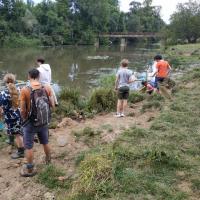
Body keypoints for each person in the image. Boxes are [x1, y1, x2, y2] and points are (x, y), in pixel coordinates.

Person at [20, 69, 55, 177]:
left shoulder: (25, 90)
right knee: (45, 142)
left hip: (30, 123)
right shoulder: (47, 88)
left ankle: (30, 170)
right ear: (39, 76)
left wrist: (25, 120)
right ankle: (48, 160)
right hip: (43, 121)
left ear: (28, 76)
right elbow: (52, 105)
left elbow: (22, 110)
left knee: (29, 147)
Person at [0, 74, 24, 159]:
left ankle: (21, 151)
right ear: (14, 81)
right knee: (18, 131)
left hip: (10, 118)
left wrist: (1, 116)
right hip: (19, 115)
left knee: (17, 135)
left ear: (5, 82)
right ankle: (12, 141)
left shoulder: (3, 93)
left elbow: (1, 108)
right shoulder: (19, 89)